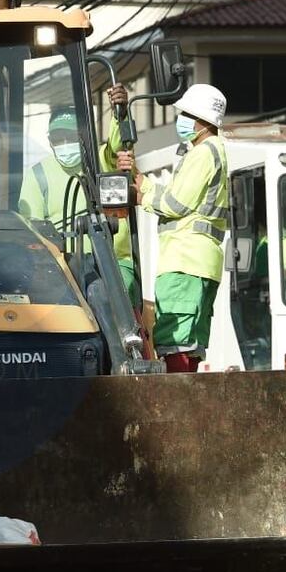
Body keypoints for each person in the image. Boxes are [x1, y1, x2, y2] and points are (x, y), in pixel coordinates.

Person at [119, 83, 229, 373]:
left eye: (184, 113)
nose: (180, 119)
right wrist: (138, 178)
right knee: (190, 341)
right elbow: (178, 196)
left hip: (184, 260)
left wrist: (139, 198)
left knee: (175, 338)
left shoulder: (203, 152)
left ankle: (178, 400)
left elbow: (175, 204)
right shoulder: (213, 150)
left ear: (200, 119)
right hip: (200, 261)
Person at [17, 85, 140, 307]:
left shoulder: (100, 161)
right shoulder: (37, 174)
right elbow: (32, 229)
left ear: (82, 136)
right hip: (61, 263)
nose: (64, 144)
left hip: (111, 261)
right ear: (49, 140)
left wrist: (119, 113)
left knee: (117, 298)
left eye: (69, 136)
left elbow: (117, 145)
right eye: (58, 138)